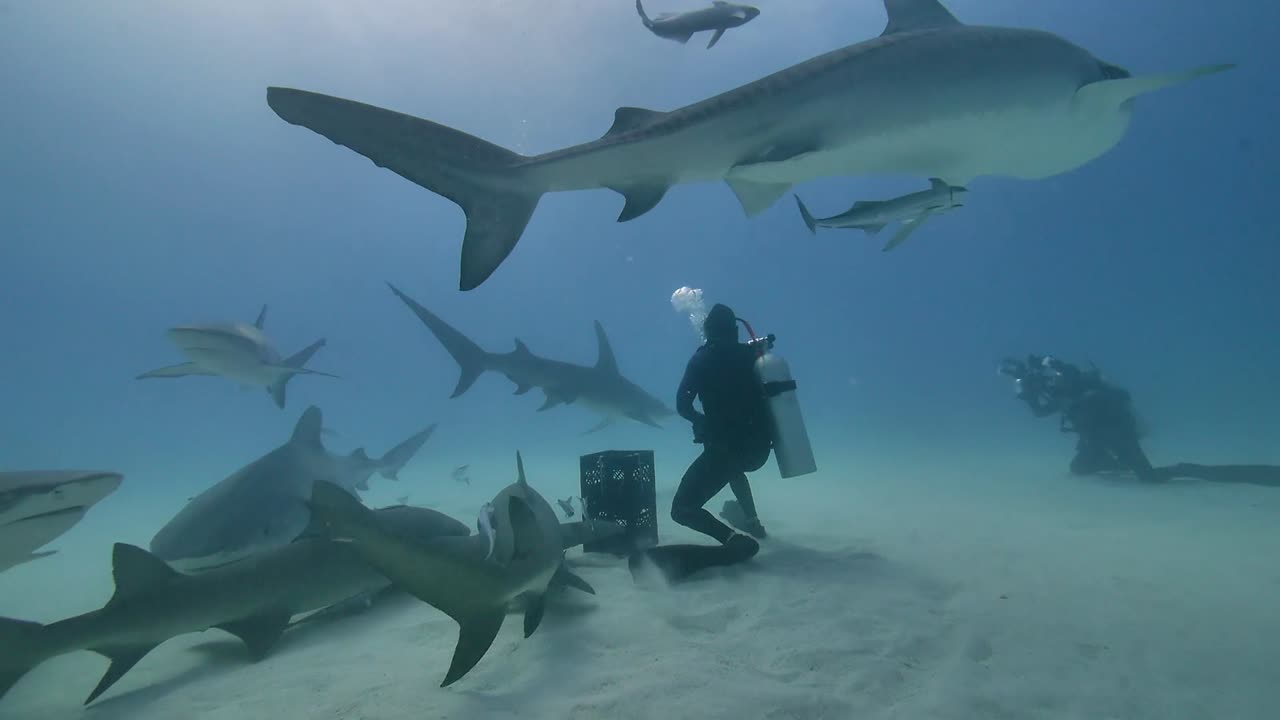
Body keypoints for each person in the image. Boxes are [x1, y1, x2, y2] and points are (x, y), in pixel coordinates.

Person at [672, 303, 771, 547]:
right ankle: (753, 522)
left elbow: (682, 405)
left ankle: (733, 541)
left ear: (707, 331)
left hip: (725, 450)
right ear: (735, 331)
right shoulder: (752, 356)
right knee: (733, 469)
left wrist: (701, 422)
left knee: (681, 509)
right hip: (759, 449)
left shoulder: (702, 359)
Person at [1001, 354, 1164, 482]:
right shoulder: (1060, 396)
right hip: (1094, 438)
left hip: (1118, 432)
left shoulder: (1074, 382)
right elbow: (1040, 412)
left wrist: (1050, 363)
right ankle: (1120, 463)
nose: (1053, 382)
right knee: (1079, 468)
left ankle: (1188, 469)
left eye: (1058, 378)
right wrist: (1029, 397)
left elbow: (1071, 373)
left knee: (1148, 476)